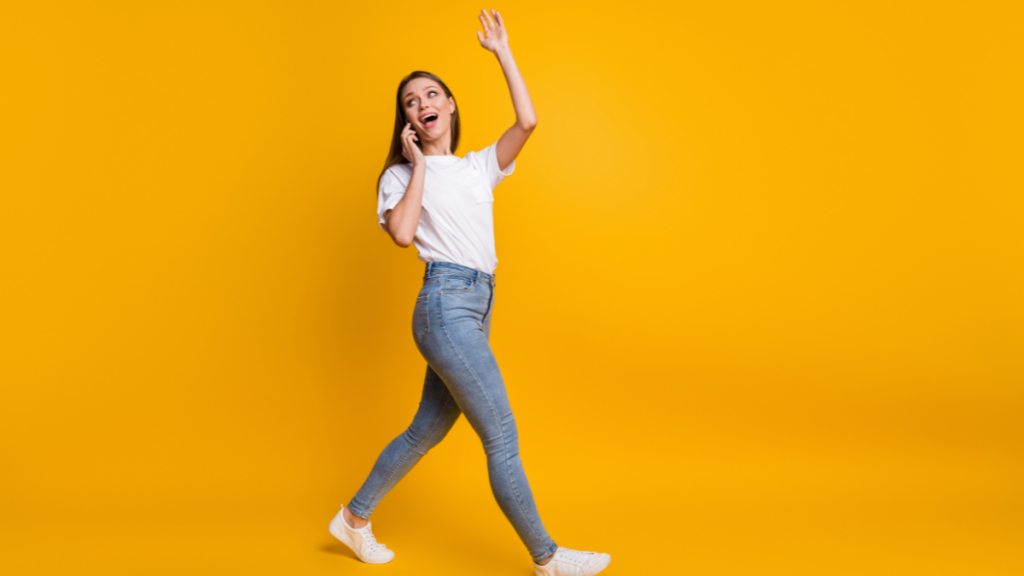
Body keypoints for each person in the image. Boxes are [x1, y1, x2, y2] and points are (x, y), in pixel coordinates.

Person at [328, 9, 612, 576]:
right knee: (501, 436)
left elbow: (527, 121)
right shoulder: (401, 177)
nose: (422, 103)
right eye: (410, 101)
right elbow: (404, 235)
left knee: (424, 430)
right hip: (443, 305)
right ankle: (548, 558)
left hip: (476, 307)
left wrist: (502, 51)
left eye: (431, 94)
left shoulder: (479, 166)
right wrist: (415, 165)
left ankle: (354, 519)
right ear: (406, 121)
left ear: (450, 106)